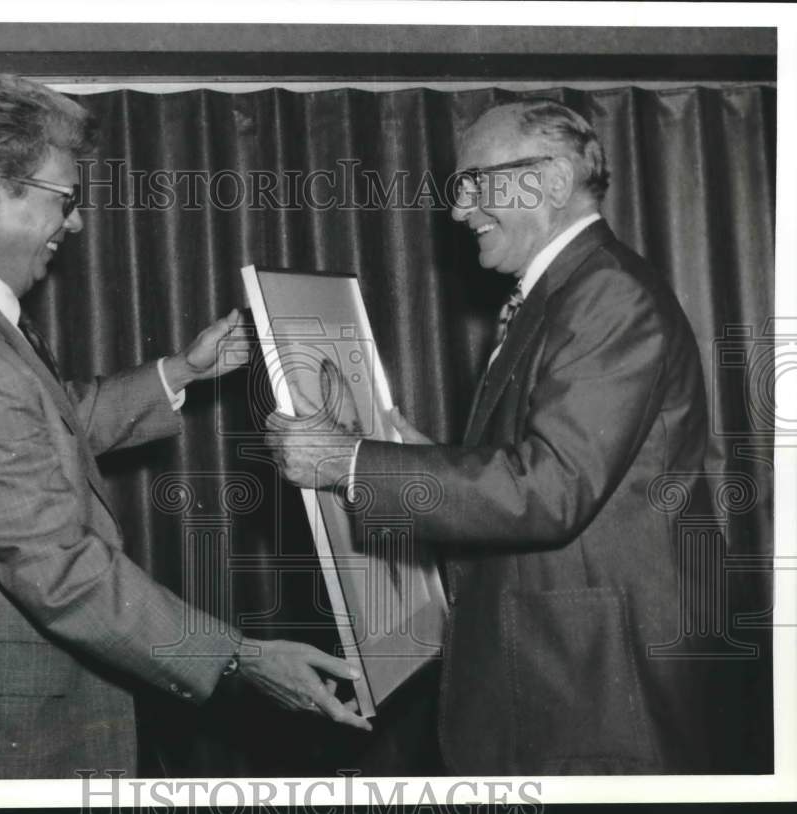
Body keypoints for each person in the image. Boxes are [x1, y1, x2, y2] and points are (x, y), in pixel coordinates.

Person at [0, 74, 369, 781]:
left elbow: (43, 423)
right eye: (66, 199)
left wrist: (180, 370)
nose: (77, 223)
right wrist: (240, 656)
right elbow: (62, 572)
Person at [267, 99, 715, 774]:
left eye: (477, 182)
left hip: (593, 689)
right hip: (563, 672)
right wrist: (408, 454)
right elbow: (532, 464)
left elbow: (550, 488)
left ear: (554, 184)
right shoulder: (565, 294)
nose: (459, 209)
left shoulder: (607, 296)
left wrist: (350, 462)